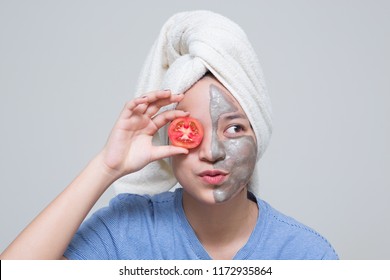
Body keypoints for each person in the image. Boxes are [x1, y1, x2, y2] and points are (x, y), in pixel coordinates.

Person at [0, 11, 338, 260]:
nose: (212, 151)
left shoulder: (307, 255)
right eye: (189, 130)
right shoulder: (124, 233)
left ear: (258, 137)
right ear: (166, 142)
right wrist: (107, 165)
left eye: (234, 128)